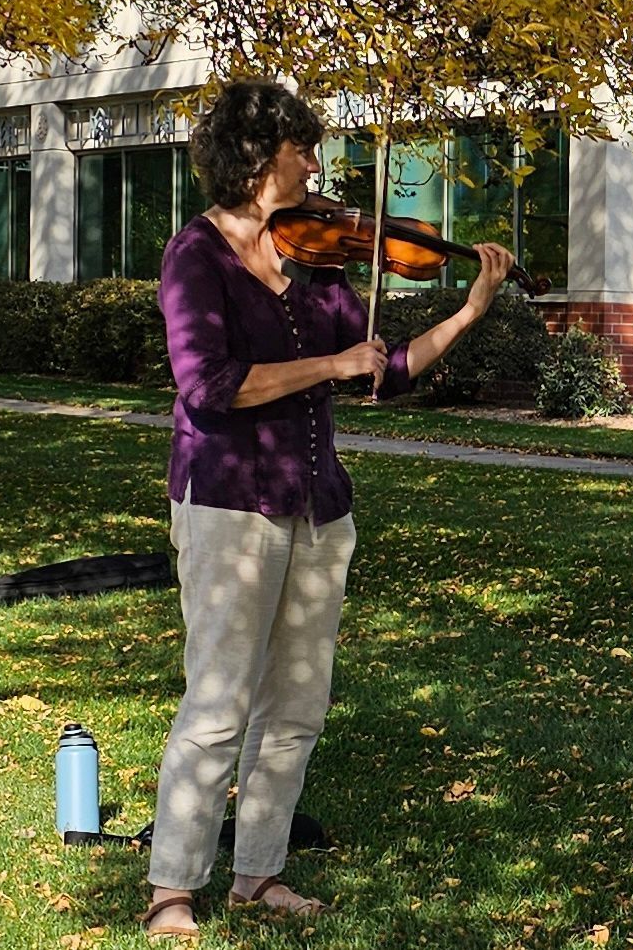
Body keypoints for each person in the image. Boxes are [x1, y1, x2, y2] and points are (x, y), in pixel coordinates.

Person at [141, 80, 516, 939]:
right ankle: (172, 888)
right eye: (301, 149)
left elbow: (383, 370)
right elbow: (211, 385)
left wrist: (466, 311)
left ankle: (259, 873)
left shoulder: (318, 258)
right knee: (219, 702)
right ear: (254, 156)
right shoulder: (196, 255)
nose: (317, 163)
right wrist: (329, 366)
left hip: (318, 503)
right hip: (230, 504)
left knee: (299, 704)